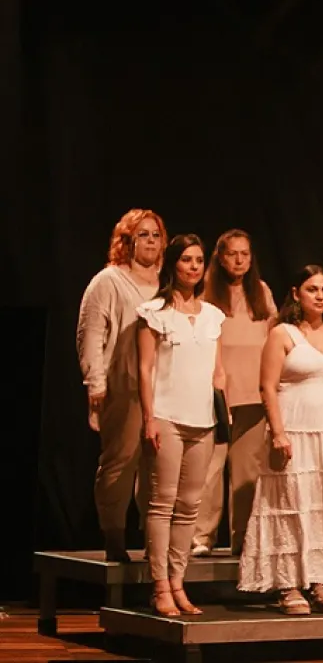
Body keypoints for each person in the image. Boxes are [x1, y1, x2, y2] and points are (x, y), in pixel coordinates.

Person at [238, 265, 323, 614]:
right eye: (312, 289)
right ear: (297, 293)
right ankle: (289, 585)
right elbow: (267, 387)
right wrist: (278, 432)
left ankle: (319, 583)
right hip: (295, 432)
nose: (320, 296)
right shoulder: (282, 333)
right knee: (292, 505)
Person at [137, 234, 225, 615]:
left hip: (202, 420)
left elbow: (218, 371)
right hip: (167, 417)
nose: (194, 267)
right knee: (162, 503)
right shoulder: (154, 312)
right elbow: (145, 369)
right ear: (173, 264)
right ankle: (159, 585)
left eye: (199, 260)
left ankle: (178, 582)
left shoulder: (212, 316)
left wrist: (223, 412)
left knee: (190, 505)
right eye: (187, 259)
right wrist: (149, 418)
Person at [77, 208, 166, 561]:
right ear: (127, 241)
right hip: (125, 384)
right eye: (143, 235)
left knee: (158, 467)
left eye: (156, 235)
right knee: (121, 461)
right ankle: (113, 535)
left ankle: (154, 541)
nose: (151, 241)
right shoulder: (109, 281)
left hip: (165, 387)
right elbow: (91, 333)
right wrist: (95, 383)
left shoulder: (168, 282)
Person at [194, 229, 273, 557]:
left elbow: (272, 337)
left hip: (253, 393)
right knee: (211, 467)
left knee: (246, 470)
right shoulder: (206, 293)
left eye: (245, 254)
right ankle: (202, 536)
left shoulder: (261, 292)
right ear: (220, 257)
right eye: (232, 254)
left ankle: (243, 537)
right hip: (217, 393)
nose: (239, 260)